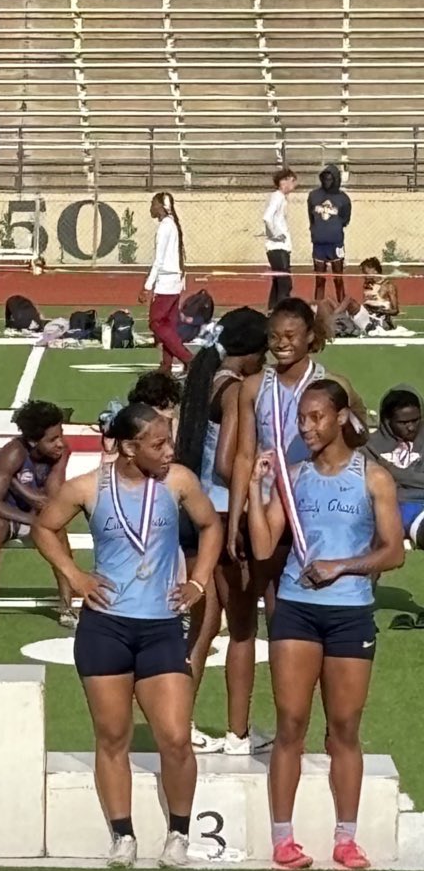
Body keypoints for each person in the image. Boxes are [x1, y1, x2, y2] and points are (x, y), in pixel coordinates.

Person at [34, 403, 222, 868]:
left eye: (169, 442)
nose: (169, 451)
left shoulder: (176, 482)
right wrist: (74, 576)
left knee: (176, 736)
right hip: (106, 627)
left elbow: (210, 524)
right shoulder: (87, 488)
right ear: (129, 446)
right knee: (112, 735)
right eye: (158, 444)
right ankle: (123, 835)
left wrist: (198, 581)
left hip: (160, 625)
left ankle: (178, 833)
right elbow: (44, 527)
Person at [246, 380, 403, 869]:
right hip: (296, 609)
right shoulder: (293, 478)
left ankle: (346, 837)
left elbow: (393, 551)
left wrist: (342, 566)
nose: (307, 427)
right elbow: (264, 545)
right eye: (302, 419)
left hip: (350, 611)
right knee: (291, 724)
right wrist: (256, 488)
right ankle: (283, 838)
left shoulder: (372, 477)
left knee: (344, 729)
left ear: (340, 418)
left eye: (316, 417)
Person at [227, 297, 367, 617]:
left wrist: (354, 429)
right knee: (274, 598)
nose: (282, 344)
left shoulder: (332, 384)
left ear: (309, 337)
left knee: (317, 595)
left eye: (291, 336)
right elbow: (244, 455)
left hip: (318, 504)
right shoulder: (253, 387)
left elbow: (358, 431)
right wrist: (236, 517)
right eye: (274, 337)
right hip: (268, 504)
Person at [175, 308, 270, 754]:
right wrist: (263, 480)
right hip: (224, 515)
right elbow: (226, 464)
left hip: (193, 512)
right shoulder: (235, 390)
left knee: (203, 623)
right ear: (251, 355)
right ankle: (238, 733)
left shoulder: (205, 378)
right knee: (243, 626)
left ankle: (181, 722)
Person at [0, 400, 73, 632]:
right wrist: (32, 516)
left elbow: (51, 500)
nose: (60, 443)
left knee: (58, 531)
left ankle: (66, 607)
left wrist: (16, 484)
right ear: (35, 441)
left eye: (60, 435)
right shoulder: (13, 452)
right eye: (53, 439)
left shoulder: (61, 453)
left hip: (36, 515)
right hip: (5, 513)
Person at [138, 192, 192, 375]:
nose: (151, 208)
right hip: (175, 280)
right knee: (168, 324)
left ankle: (188, 358)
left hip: (166, 281)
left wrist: (147, 286)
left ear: (161, 206)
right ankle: (166, 365)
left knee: (156, 323)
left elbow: (159, 260)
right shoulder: (172, 225)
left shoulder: (165, 227)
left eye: (153, 204)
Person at [365, 386, 424, 549]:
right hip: (403, 507)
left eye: (416, 420)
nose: (411, 427)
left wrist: (392, 472)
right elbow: (374, 486)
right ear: (386, 420)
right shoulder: (369, 447)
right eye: (403, 423)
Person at [308, 164, 351, 303]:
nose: (327, 182)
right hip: (319, 244)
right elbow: (311, 217)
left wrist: (334, 227)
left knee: (338, 279)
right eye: (325, 179)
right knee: (319, 280)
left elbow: (345, 219)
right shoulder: (314, 195)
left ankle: (342, 310)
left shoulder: (343, 198)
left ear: (336, 179)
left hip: (336, 243)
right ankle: (317, 309)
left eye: (330, 179)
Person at [264, 168, 297, 310]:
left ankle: (272, 310)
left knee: (278, 282)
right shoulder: (277, 197)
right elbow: (266, 217)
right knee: (285, 283)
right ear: (285, 181)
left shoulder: (280, 198)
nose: (294, 186)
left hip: (278, 247)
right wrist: (275, 234)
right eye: (293, 181)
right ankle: (283, 312)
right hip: (278, 247)